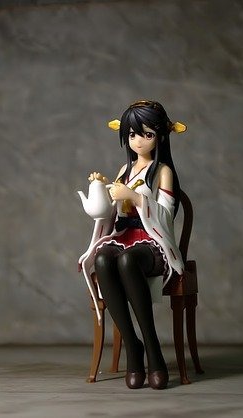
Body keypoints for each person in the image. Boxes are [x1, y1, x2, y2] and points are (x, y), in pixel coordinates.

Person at [78, 100, 187, 390]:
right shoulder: (123, 170)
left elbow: (166, 216)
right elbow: (112, 215)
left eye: (147, 134)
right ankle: (133, 347)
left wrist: (136, 197)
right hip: (124, 236)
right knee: (103, 259)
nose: (139, 141)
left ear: (160, 136)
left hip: (153, 243)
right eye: (132, 134)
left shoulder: (162, 171)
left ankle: (153, 348)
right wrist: (101, 190)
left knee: (127, 260)